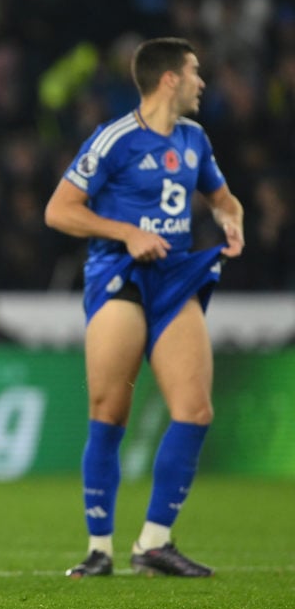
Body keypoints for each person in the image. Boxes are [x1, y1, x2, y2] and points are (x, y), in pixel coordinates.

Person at [45, 38, 244, 578]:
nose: (204, 83)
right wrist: (126, 232)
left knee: (196, 410)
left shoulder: (195, 140)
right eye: (196, 72)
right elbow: (60, 210)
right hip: (118, 274)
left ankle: (154, 543)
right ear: (170, 79)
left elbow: (223, 197)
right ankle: (100, 548)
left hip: (175, 278)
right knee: (110, 413)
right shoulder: (116, 139)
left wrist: (232, 218)